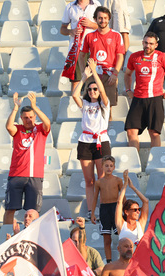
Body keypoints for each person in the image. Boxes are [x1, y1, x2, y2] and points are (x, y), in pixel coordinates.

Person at [124, 32, 165, 150]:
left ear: (156, 45)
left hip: (155, 99)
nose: (147, 46)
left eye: (151, 44)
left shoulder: (162, 57)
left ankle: (154, 162)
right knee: (131, 131)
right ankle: (135, 163)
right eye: (145, 43)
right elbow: (128, 74)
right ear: (142, 43)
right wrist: (128, 89)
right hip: (138, 99)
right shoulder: (134, 57)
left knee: (154, 133)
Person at [71, 57, 111, 217]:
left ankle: (103, 208)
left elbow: (102, 91)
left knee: (102, 178)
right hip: (85, 142)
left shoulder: (104, 105)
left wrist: (94, 72)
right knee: (89, 180)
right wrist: (84, 78)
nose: (93, 91)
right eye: (90, 90)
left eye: (94, 89)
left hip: (101, 141)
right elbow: (75, 95)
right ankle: (90, 210)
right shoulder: (86, 105)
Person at [3, 92, 51, 225]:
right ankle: (7, 237)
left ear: (35, 117)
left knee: (33, 212)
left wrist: (34, 106)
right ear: (21, 118)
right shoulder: (18, 130)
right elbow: (8, 126)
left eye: (31, 117)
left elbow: (47, 123)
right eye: (25, 118)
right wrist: (15, 108)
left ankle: (32, 238)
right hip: (16, 175)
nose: (28, 120)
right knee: (10, 209)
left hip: (35, 176)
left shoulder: (40, 129)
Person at [79, 6, 125, 108]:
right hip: (93, 75)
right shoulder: (89, 36)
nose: (102, 20)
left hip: (109, 76)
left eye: (105, 18)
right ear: (95, 19)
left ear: (109, 19)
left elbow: (120, 56)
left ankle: (108, 124)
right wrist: (84, 74)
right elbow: (81, 56)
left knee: (108, 108)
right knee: (91, 107)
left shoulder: (116, 35)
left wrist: (115, 73)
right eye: (100, 18)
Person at [60, 0, 100, 91]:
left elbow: (104, 25)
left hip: (93, 49)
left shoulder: (96, 4)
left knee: (94, 80)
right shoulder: (70, 7)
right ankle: (75, 104)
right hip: (77, 49)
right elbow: (62, 29)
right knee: (76, 80)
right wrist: (71, 31)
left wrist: (91, 24)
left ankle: (92, 104)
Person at [90, 155, 123, 262]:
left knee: (121, 236)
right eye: (106, 166)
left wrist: (125, 210)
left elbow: (123, 196)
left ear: (114, 167)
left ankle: (122, 259)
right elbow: (95, 198)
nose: (109, 168)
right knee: (107, 238)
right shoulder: (99, 182)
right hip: (104, 210)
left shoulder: (118, 180)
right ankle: (109, 261)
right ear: (102, 167)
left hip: (116, 208)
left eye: (111, 166)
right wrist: (93, 213)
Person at [115, 171, 149, 247]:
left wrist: (132, 187)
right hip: (125, 258)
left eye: (138, 209)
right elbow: (119, 202)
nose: (138, 212)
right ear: (126, 212)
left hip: (138, 258)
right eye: (135, 210)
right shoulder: (121, 224)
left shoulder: (140, 223)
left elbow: (146, 201)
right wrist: (125, 185)